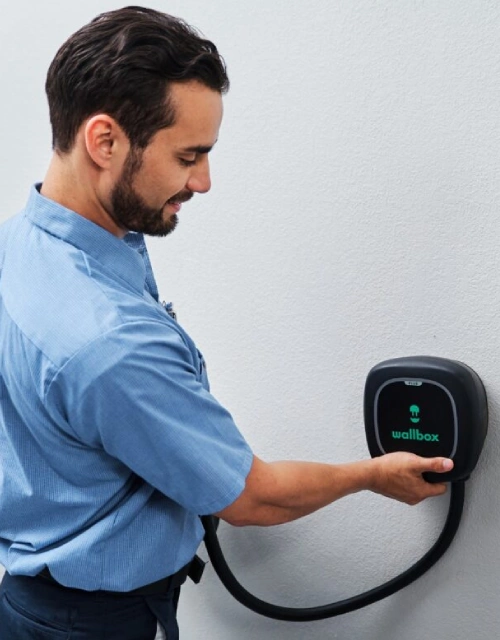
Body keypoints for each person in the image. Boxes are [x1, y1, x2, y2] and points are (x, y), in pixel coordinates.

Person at [0, 6, 453, 639]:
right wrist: (372, 476)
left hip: (26, 602)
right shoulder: (110, 343)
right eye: (189, 156)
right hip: (98, 625)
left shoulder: (16, 247)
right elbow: (253, 497)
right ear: (104, 141)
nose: (204, 182)